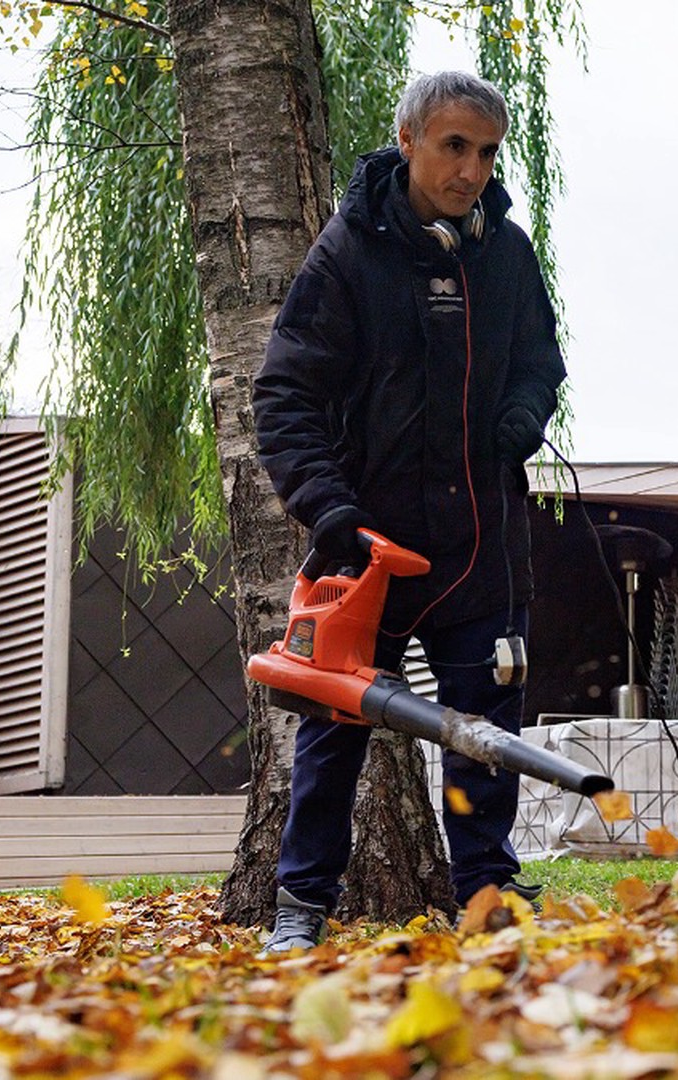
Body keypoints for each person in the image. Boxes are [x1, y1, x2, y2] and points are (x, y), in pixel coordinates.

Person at [252, 71, 565, 953]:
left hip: (481, 546)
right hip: (366, 549)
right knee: (332, 737)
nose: (471, 169)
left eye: (487, 152)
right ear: (408, 139)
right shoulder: (349, 251)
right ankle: (299, 910)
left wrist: (524, 412)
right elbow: (283, 396)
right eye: (454, 146)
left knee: (484, 736)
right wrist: (329, 512)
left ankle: (489, 904)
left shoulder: (506, 254)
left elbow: (544, 360)